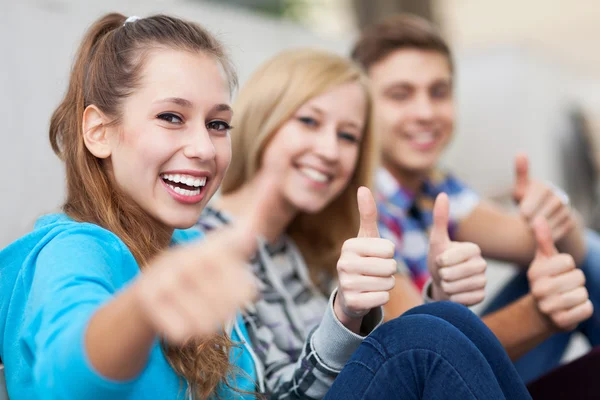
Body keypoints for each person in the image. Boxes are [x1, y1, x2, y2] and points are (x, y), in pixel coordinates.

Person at [197, 48, 532, 399]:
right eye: (309, 121)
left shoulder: (321, 246)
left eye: (348, 136)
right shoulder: (202, 244)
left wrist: (440, 297)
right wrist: (343, 316)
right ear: (263, 115)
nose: (329, 150)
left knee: (449, 318)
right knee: (425, 341)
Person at [0, 13, 271, 399]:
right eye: (171, 117)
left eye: (218, 124)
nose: (204, 148)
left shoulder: (190, 248)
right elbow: (67, 376)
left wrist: (344, 320)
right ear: (98, 132)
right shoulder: (74, 249)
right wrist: (145, 305)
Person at [351, 13, 597, 382]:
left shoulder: (435, 186)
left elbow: (560, 248)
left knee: (580, 255)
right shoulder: (360, 204)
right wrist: (541, 313)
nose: (425, 112)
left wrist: (557, 215)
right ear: (363, 109)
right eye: (400, 95)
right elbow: (422, 357)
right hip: (423, 381)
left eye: (439, 92)